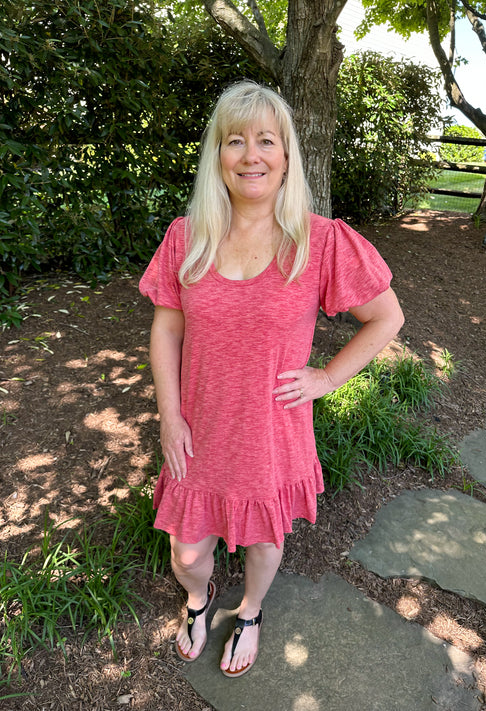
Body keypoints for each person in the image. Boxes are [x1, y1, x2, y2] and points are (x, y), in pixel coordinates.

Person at [139, 80, 404, 678]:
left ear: (286, 156)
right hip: (199, 427)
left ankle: (252, 611)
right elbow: (166, 332)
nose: (250, 155)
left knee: (263, 540)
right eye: (236, 141)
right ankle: (199, 601)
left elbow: (387, 316)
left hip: (271, 429)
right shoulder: (189, 237)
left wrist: (328, 377)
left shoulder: (320, 241)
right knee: (189, 551)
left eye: (266, 140)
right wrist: (170, 415)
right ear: (218, 155)